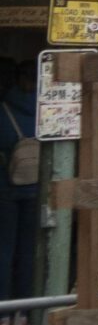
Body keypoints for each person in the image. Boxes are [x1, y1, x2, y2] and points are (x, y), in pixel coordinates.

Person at [0, 64, 37, 304]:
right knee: (29, 251)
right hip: (36, 187)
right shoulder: (45, 110)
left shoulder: (4, 109)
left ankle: (3, 308)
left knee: (4, 249)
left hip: (5, 186)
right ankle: (25, 310)